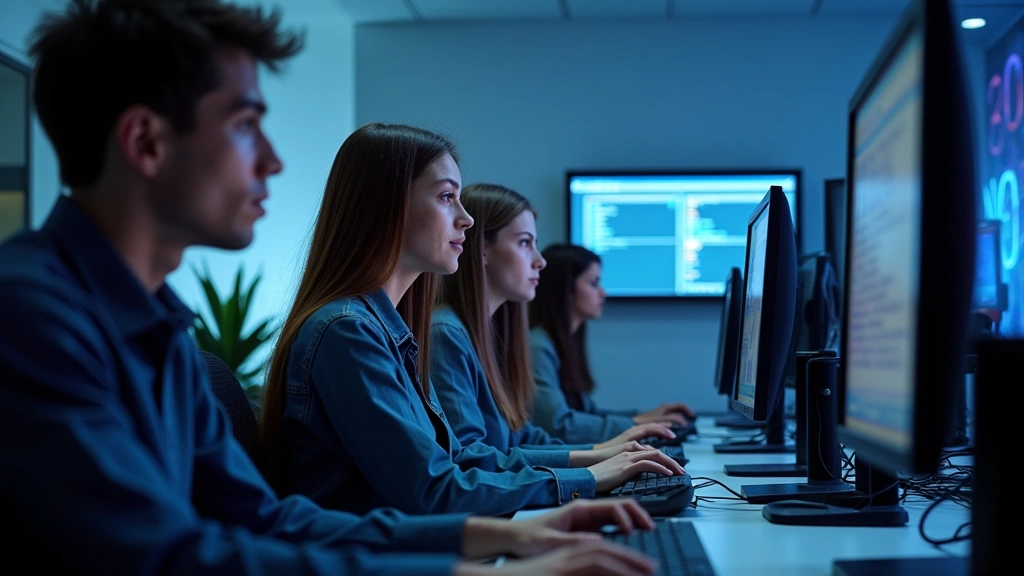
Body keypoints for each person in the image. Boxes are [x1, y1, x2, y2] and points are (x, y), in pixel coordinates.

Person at [0, 2, 659, 574]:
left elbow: (262, 519)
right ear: (146, 142)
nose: (273, 160)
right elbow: (161, 556)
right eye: (243, 124)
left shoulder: (156, 325)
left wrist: (503, 533)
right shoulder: (30, 316)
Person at [259, 124, 679, 518]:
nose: (467, 218)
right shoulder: (348, 331)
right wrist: (586, 478)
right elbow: (433, 489)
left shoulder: (390, 330)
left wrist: (597, 462)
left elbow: (460, 457)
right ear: (387, 205)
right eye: (446, 197)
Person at [430, 183, 685, 460]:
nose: (540, 261)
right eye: (525, 243)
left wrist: (608, 452)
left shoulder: (487, 335)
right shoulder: (446, 334)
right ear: (482, 249)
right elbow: (472, 459)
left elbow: (523, 437)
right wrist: (599, 463)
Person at [529, 245, 696, 445]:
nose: (603, 293)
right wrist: (638, 424)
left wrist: (645, 417)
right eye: (594, 283)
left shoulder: (561, 343)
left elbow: (586, 414)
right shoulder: (538, 348)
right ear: (565, 289)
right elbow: (560, 426)